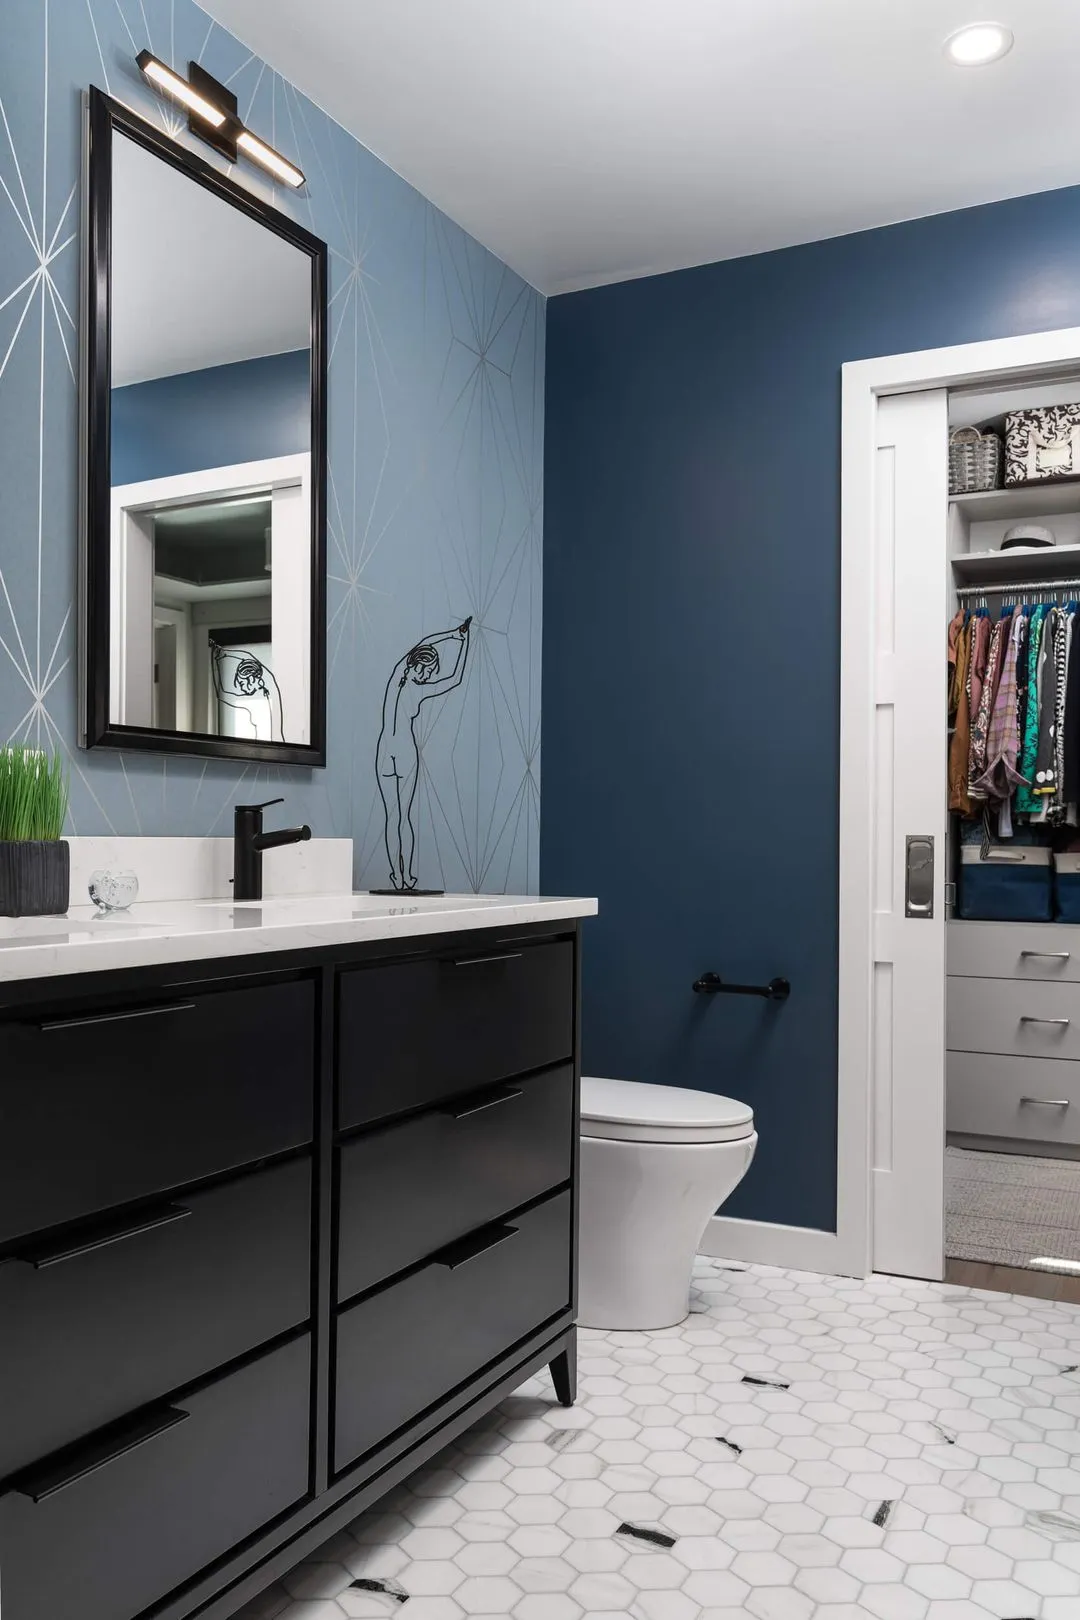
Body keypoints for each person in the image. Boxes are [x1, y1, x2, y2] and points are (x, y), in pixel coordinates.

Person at [376, 617, 471, 890]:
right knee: (398, 816)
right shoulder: (405, 682)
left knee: (397, 816)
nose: (429, 676)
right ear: (417, 665)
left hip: (390, 750)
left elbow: (452, 679)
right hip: (401, 752)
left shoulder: (400, 681)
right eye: (428, 671)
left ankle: (400, 875)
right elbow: (450, 674)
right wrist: (458, 638)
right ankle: (400, 876)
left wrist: (456, 638)